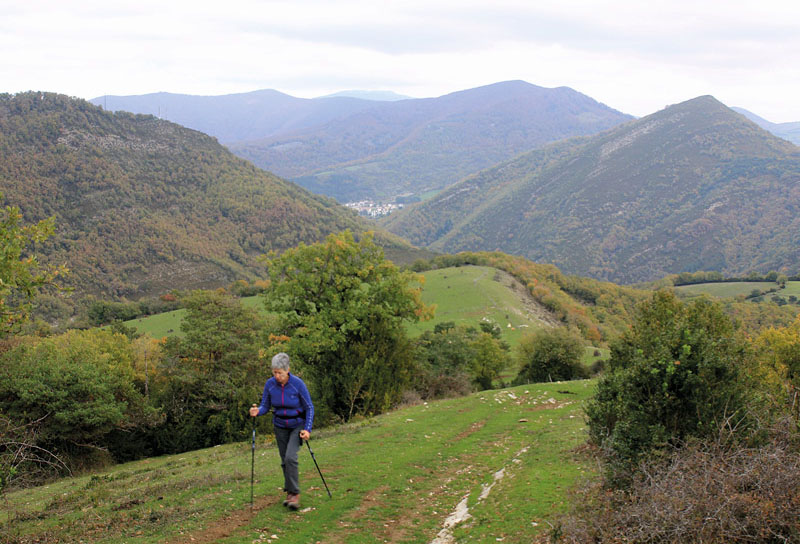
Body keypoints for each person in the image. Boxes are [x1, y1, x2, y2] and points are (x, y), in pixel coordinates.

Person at [249, 352, 314, 510]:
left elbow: (309, 407)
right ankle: (290, 493)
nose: (277, 376)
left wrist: (307, 429)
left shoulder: (298, 384)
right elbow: (266, 405)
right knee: (285, 460)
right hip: (280, 425)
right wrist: (258, 411)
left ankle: (295, 494)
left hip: (297, 425)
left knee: (291, 457)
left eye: (280, 373)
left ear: (288, 370)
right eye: (275, 372)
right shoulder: (270, 384)